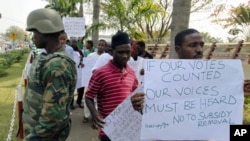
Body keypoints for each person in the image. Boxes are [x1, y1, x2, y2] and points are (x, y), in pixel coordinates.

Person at [22, 8, 77, 141]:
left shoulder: (57, 65)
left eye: (35, 32)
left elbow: (53, 118)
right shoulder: (48, 58)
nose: (33, 37)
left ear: (44, 31)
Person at [85, 31, 140, 141]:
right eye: (120, 52)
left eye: (127, 52)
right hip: (108, 129)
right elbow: (89, 96)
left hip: (128, 128)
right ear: (112, 51)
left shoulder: (132, 73)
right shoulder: (100, 73)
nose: (124, 56)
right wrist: (95, 114)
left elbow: (135, 96)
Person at [83, 39, 107, 122]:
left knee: (99, 100)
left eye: (102, 45)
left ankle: (96, 116)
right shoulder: (90, 56)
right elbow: (86, 67)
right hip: (90, 80)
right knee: (88, 97)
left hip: (102, 82)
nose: (100, 46)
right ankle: (86, 116)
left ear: (105, 47)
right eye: (99, 45)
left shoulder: (107, 58)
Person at [70, 38, 85, 109]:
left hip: (79, 71)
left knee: (81, 87)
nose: (74, 43)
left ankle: (79, 101)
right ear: (70, 42)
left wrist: (81, 60)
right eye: (73, 42)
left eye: (75, 42)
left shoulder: (80, 51)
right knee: (71, 88)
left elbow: (83, 60)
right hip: (71, 71)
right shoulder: (68, 50)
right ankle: (71, 104)